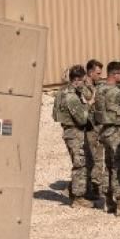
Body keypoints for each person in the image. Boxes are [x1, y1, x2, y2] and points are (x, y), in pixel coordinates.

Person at [96, 61, 120, 216]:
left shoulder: (100, 89)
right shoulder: (117, 92)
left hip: (105, 131)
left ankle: (108, 201)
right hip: (117, 132)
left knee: (109, 165)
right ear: (114, 74)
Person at [51, 65, 93, 207]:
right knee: (80, 164)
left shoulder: (61, 92)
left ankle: (73, 190)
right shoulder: (72, 97)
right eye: (83, 80)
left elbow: (55, 115)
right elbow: (82, 119)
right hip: (75, 132)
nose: (83, 83)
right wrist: (88, 106)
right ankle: (77, 198)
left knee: (79, 162)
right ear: (77, 80)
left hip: (68, 130)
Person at [82, 58, 105, 200]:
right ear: (90, 73)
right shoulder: (82, 88)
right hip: (88, 127)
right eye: (98, 73)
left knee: (98, 157)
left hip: (98, 127)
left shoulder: (97, 86)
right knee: (90, 158)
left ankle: (96, 186)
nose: (100, 76)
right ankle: (84, 188)